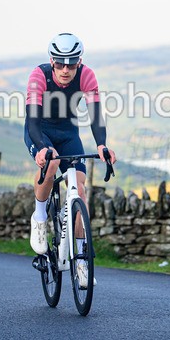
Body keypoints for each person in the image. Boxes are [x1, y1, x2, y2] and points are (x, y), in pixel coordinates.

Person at [24, 32, 117, 288]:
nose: (66, 69)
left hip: (68, 133)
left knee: (80, 188)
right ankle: (40, 217)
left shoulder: (87, 75)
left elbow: (95, 114)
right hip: (40, 131)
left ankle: (81, 259)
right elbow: (32, 119)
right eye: (61, 63)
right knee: (52, 163)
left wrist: (101, 145)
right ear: (52, 61)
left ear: (79, 62)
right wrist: (42, 148)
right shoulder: (39, 76)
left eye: (72, 63)